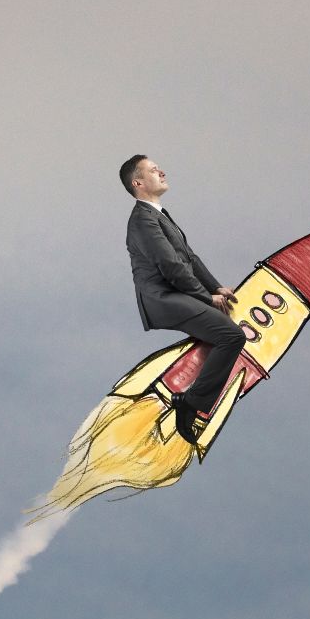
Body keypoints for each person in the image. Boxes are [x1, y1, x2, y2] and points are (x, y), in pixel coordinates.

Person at [119, 154, 243, 444]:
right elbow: (171, 266)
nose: (161, 171)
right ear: (138, 183)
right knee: (232, 336)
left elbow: (189, 257)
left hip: (177, 292)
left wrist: (216, 287)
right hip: (163, 298)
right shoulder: (141, 220)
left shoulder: (160, 214)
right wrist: (206, 297)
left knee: (224, 326)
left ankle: (200, 371)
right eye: (153, 170)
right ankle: (190, 404)